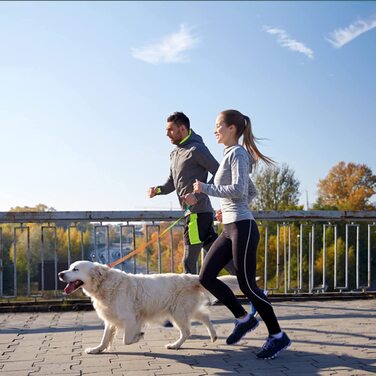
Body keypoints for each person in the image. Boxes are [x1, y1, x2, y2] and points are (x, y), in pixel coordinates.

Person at [193, 109, 291, 359]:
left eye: (218, 125)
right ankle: (243, 318)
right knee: (206, 276)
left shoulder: (238, 153)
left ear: (232, 128)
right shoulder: (230, 154)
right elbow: (251, 191)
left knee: (248, 285)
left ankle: (278, 336)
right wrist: (226, 210)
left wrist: (205, 188)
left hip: (243, 227)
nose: (215, 130)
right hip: (230, 226)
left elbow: (238, 189)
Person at [148, 111, 236, 275]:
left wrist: (197, 195)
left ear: (182, 129)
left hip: (197, 215)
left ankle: (198, 299)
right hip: (195, 214)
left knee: (188, 262)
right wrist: (157, 190)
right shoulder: (175, 153)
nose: (167, 134)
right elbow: (171, 183)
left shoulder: (196, 149)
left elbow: (219, 172)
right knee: (220, 257)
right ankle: (252, 287)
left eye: (170, 130)